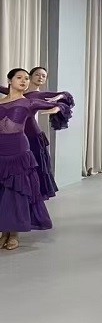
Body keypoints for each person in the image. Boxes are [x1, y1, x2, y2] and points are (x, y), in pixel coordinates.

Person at [0, 69, 66, 250]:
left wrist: (58, 108)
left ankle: (14, 233)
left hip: (18, 151)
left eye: (26, 78)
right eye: (19, 78)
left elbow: (62, 100)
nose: (24, 81)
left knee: (16, 192)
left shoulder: (29, 102)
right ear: (10, 80)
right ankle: (3, 232)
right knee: (3, 192)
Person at [0, 66, 75, 200]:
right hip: (13, 138)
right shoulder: (17, 91)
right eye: (37, 75)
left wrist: (58, 100)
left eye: (43, 76)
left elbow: (66, 96)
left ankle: (31, 195)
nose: (40, 77)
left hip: (32, 135)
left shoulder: (39, 96)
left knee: (31, 168)